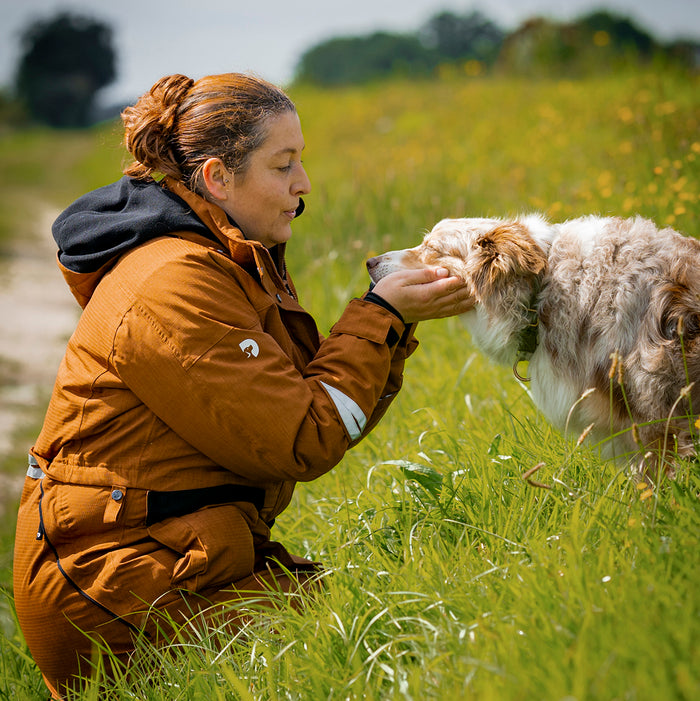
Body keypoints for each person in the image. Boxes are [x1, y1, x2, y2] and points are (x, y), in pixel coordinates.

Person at [12, 73, 473, 697]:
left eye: (301, 162)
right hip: (114, 594)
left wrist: (390, 321)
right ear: (217, 178)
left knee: (396, 621)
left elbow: (310, 407)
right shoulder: (172, 283)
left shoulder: (218, 260)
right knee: (383, 642)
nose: (303, 185)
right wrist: (380, 317)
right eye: (283, 165)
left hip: (168, 564)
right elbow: (302, 437)